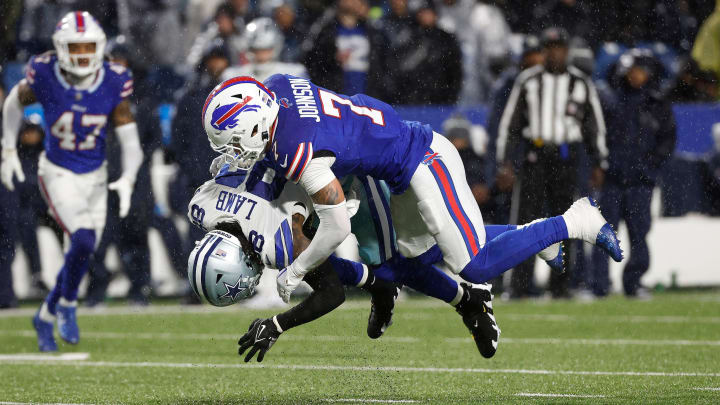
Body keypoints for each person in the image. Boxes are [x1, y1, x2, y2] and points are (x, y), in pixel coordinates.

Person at [201, 74, 624, 357]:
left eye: (234, 142)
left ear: (255, 124)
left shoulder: (297, 151)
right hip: (394, 164)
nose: (234, 151)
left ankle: (574, 221)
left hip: (424, 160)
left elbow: (336, 228)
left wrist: (294, 271)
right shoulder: (276, 87)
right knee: (407, 265)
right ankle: (528, 237)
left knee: (474, 264)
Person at [0, 12, 143, 351]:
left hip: (96, 175)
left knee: (81, 252)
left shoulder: (113, 79)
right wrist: (7, 148)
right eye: (74, 47)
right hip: (58, 171)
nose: (81, 54)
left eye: (88, 46)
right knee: (82, 239)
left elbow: (130, 140)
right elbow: (12, 104)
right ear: (61, 49)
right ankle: (67, 306)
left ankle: (45, 317)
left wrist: (129, 177)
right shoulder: (46, 74)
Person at [497, 27, 608, 299]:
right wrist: (505, 162)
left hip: (566, 157)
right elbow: (510, 123)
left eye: (559, 47)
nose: (555, 52)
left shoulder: (580, 83)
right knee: (526, 223)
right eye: (550, 47)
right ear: (544, 50)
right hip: (536, 156)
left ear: (567, 50)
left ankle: (560, 286)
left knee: (565, 223)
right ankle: (520, 286)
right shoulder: (528, 80)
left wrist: (599, 161)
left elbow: (594, 124)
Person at [591, 49, 676, 298]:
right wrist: (603, 163)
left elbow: (667, 140)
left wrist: (650, 165)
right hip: (613, 178)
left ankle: (634, 282)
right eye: (632, 71)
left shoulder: (657, 103)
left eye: (640, 70)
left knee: (639, 233)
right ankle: (599, 285)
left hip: (641, 180)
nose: (636, 76)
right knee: (602, 233)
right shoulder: (611, 100)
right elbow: (598, 134)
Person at [222, 17, 307, 82]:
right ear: (250, 49)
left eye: (266, 49)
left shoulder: (294, 73)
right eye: (257, 50)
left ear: (275, 47)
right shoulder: (233, 75)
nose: (262, 55)